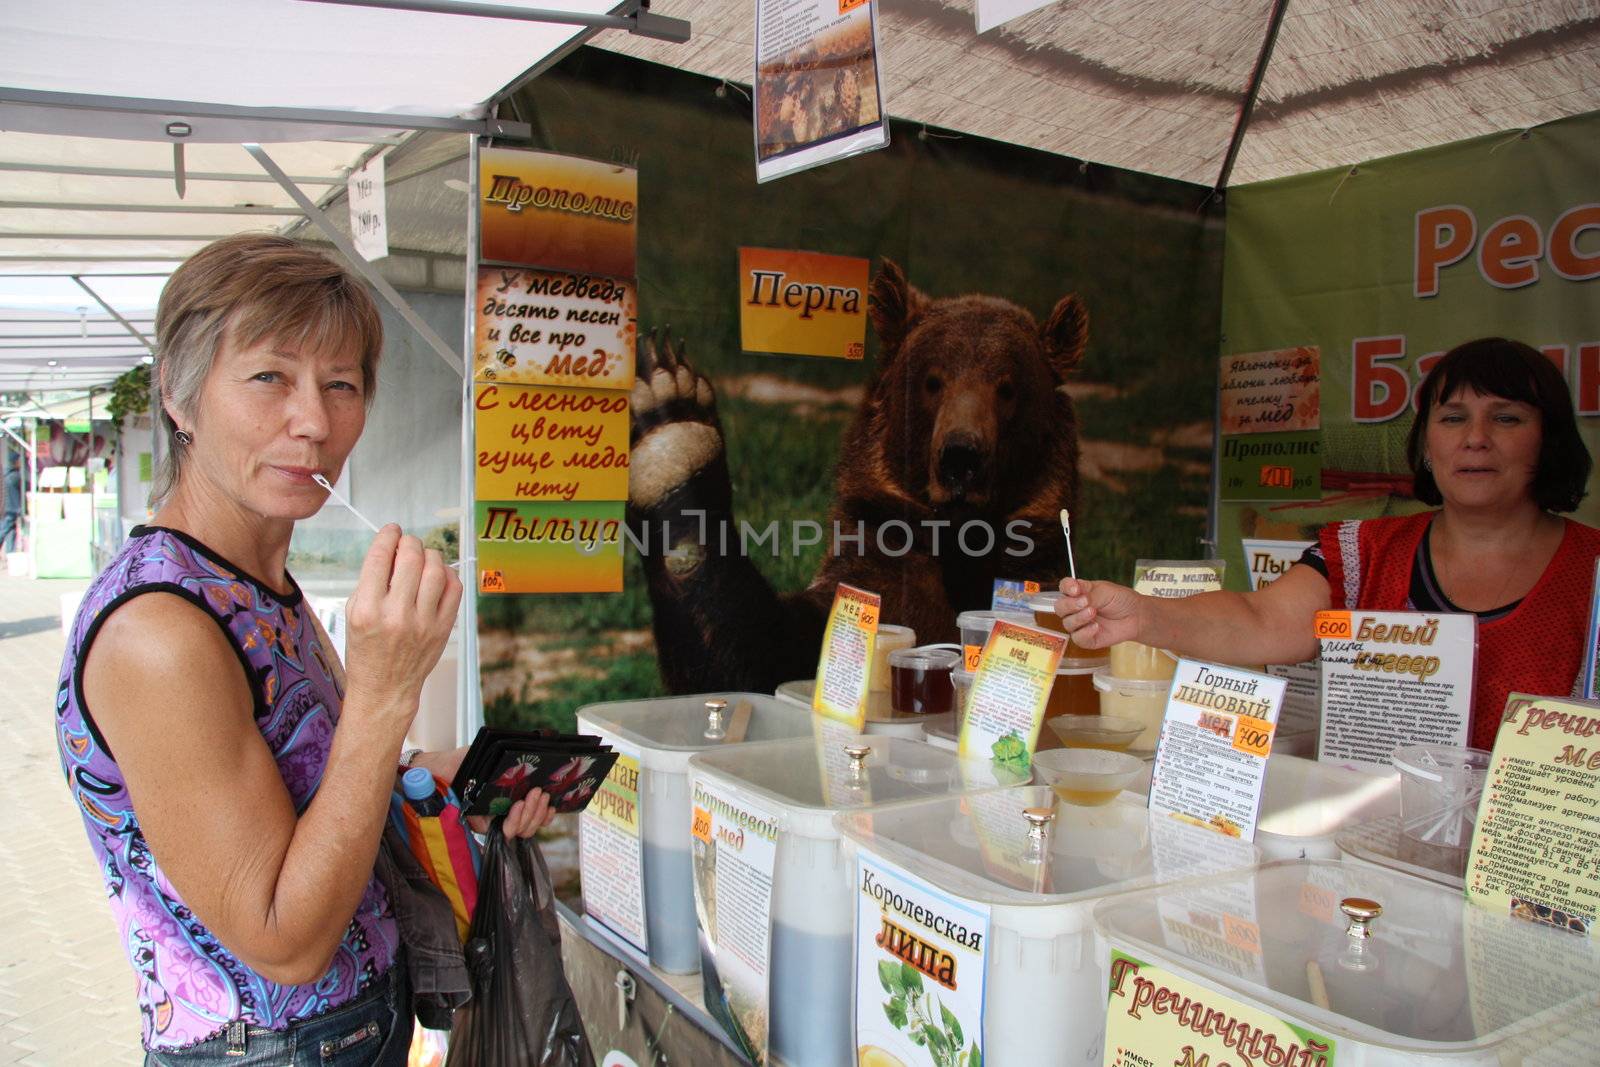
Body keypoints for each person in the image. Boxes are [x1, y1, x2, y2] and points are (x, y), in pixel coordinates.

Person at [55, 234, 554, 1066]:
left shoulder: (258, 584)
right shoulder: (158, 630)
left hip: (359, 1029)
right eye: (269, 378)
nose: (315, 422)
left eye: (342, 385)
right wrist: (387, 688)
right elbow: (283, 939)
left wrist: (449, 778)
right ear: (179, 395)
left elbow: (320, 785)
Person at [1055, 337, 1598, 750]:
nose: (1475, 438)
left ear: (1548, 440)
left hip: (1533, 870)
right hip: (1376, 842)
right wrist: (1145, 617)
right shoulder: (1366, 548)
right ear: (1427, 445)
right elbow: (1260, 619)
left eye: (1506, 418)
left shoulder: (1592, 569)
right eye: (1453, 418)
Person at [1, 447, 21, 552]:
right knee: (4, 530)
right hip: (11, 508)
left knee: (10, 532)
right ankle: (10, 552)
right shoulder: (15, 476)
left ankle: (10, 553)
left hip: (6, 507)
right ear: (16, 461)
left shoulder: (5, 474)